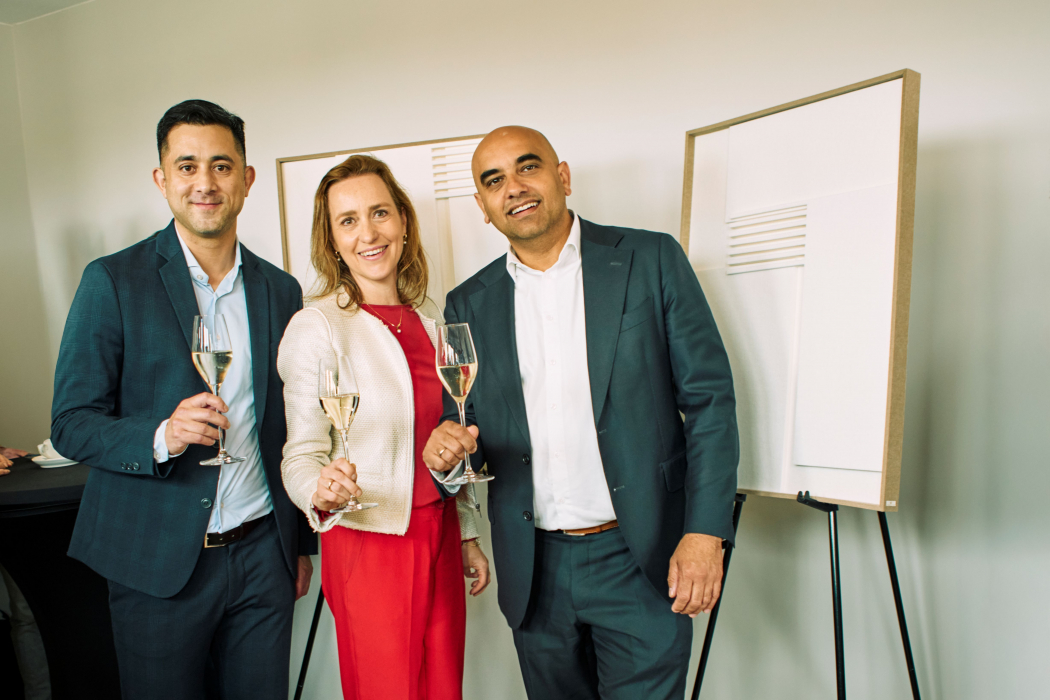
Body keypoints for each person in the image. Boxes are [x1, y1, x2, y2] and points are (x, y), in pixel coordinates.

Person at [423, 126, 740, 699]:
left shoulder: (651, 258)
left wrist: (705, 532)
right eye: (494, 181)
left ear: (562, 176)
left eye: (528, 167)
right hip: (535, 569)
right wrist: (445, 455)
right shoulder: (467, 302)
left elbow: (710, 400)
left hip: (642, 556)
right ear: (483, 206)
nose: (514, 188)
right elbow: (463, 429)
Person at [50, 100, 315, 700]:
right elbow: (69, 423)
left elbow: (288, 425)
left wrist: (297, 545)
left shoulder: (282, 289)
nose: (205, 182)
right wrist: (159, 435)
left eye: (222, 166)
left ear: (246, 180)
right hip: (155, 564)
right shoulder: (112, 280)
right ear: (162, 179)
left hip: (262, 559)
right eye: (187, 165)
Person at [278, 154, 489, 700]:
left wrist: (467, 533)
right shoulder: (317, 327)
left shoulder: (434, 322)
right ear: (331, 239)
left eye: (379, 213)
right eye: (348, 220)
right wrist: (317, 489)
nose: (367, 233)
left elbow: (450, 435)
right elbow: (300, 453)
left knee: (443, 689)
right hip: (369, 544)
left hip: (439, 534)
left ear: (403, 222)